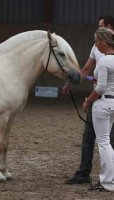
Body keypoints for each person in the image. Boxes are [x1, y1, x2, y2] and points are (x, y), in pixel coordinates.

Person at [63, 16, 114, 184]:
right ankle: (84, 172)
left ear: (108, 26)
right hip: (99, 98)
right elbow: (86, 69)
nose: (97, 30)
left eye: (100, 26)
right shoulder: (96, 47)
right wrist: (72, 80)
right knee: (88, 137)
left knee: (108, 140)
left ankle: (107, 177)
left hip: (104, 97)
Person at [83, 27, 114, 191]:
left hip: (103, 104)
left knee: (103, 143)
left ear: (103, 42)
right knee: (107, 143)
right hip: (113, 102)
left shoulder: (103, 61)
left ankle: (107, 182)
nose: (95, 46)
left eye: (96, 42)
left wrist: (88, 101)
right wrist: (93, 79)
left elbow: (100, 88)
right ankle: (110, 179)